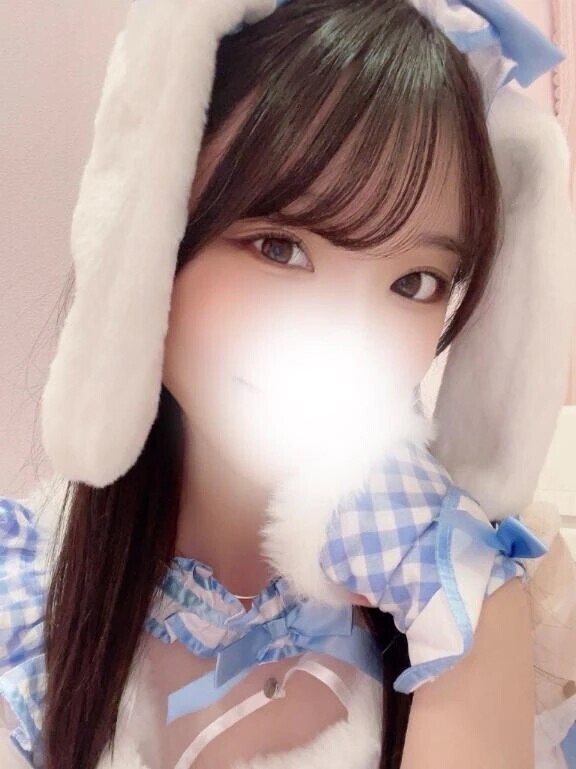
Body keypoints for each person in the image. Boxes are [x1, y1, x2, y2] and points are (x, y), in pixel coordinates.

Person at [1, 1, 575, 768]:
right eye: (280, 246)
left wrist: (465, 598)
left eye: (415, 281)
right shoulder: (24, 601)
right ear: (153, 235)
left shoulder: (485, 584)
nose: (351, 339)